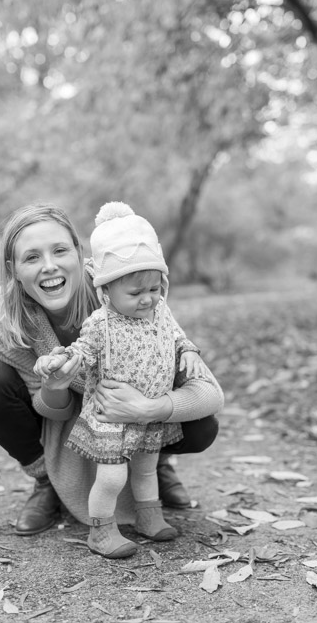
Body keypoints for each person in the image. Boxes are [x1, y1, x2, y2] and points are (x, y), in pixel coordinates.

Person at [0, 202, 223, 547]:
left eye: (59, 250)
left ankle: (154, 464)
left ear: (79, 251)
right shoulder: (0, 314)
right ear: (13, 269)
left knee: (202, 424)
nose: (49, 267)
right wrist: (54, 387)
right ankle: (46, 484)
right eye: (32, 257)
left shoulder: (129, 283)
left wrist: (149, 409)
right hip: (73, 417)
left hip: (139, 412)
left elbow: (211, 392)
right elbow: (45, 409)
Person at [34, 202, 209, 558]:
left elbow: (177, 336)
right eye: (135, 293)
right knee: (113, 477)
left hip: (148, 415)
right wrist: (61, 360)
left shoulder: (161, 311)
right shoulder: (101, 322)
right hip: (111, 417)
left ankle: (148, 516)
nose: (147, 299)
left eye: (154, 289)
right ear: (105, 291)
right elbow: (81, 349)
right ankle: (101, 530)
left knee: (146, 470)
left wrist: (189, 351)